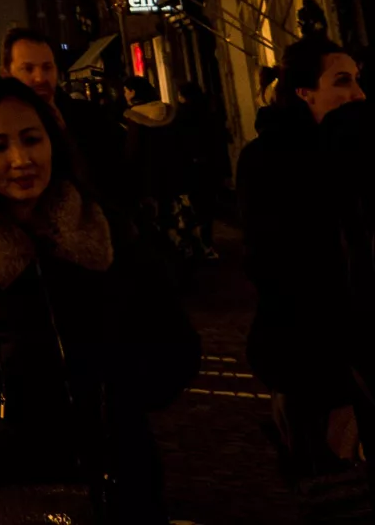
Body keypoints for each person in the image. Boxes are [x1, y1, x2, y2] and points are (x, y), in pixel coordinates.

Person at [0, 78, 199, 524]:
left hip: (120, 482)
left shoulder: (105, 230)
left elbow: (176, 343)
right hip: (9, 490)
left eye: (32, 139)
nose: (21, 160)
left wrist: (118, 396)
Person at [240, 35, 370, 498]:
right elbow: (282, 269)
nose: (357, 93)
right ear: (304, 92)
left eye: (358, 81)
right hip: (315, 358)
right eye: (342, 81)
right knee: (336, 486)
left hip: (355, 350)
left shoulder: (355, 152)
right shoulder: (270, 161)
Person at [1, 27, 130, 221]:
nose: (40, 78)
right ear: (7, 74)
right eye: (28, 69)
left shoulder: (91, 118)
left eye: (47, 67)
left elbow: (120, 179)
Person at [122, 75, 209, 267]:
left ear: (134, 92)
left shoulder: (134, 118)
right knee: (178, 216)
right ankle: (190, 252)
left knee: (157, 221)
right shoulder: (168, 112)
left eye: (127, 90)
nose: (125, 94)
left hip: (150, 178)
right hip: (174, 174)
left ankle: (168, 260)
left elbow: (132, 153)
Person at [175, 81, 230, 255]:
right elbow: (219, 142)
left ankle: (195, 242)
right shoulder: (209, 114)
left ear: (182, 96)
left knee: (193, 205)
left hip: (191, 167)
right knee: (207, 206)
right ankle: (206, 240)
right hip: (210, 166)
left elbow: (179, 145)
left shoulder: (180, 117)